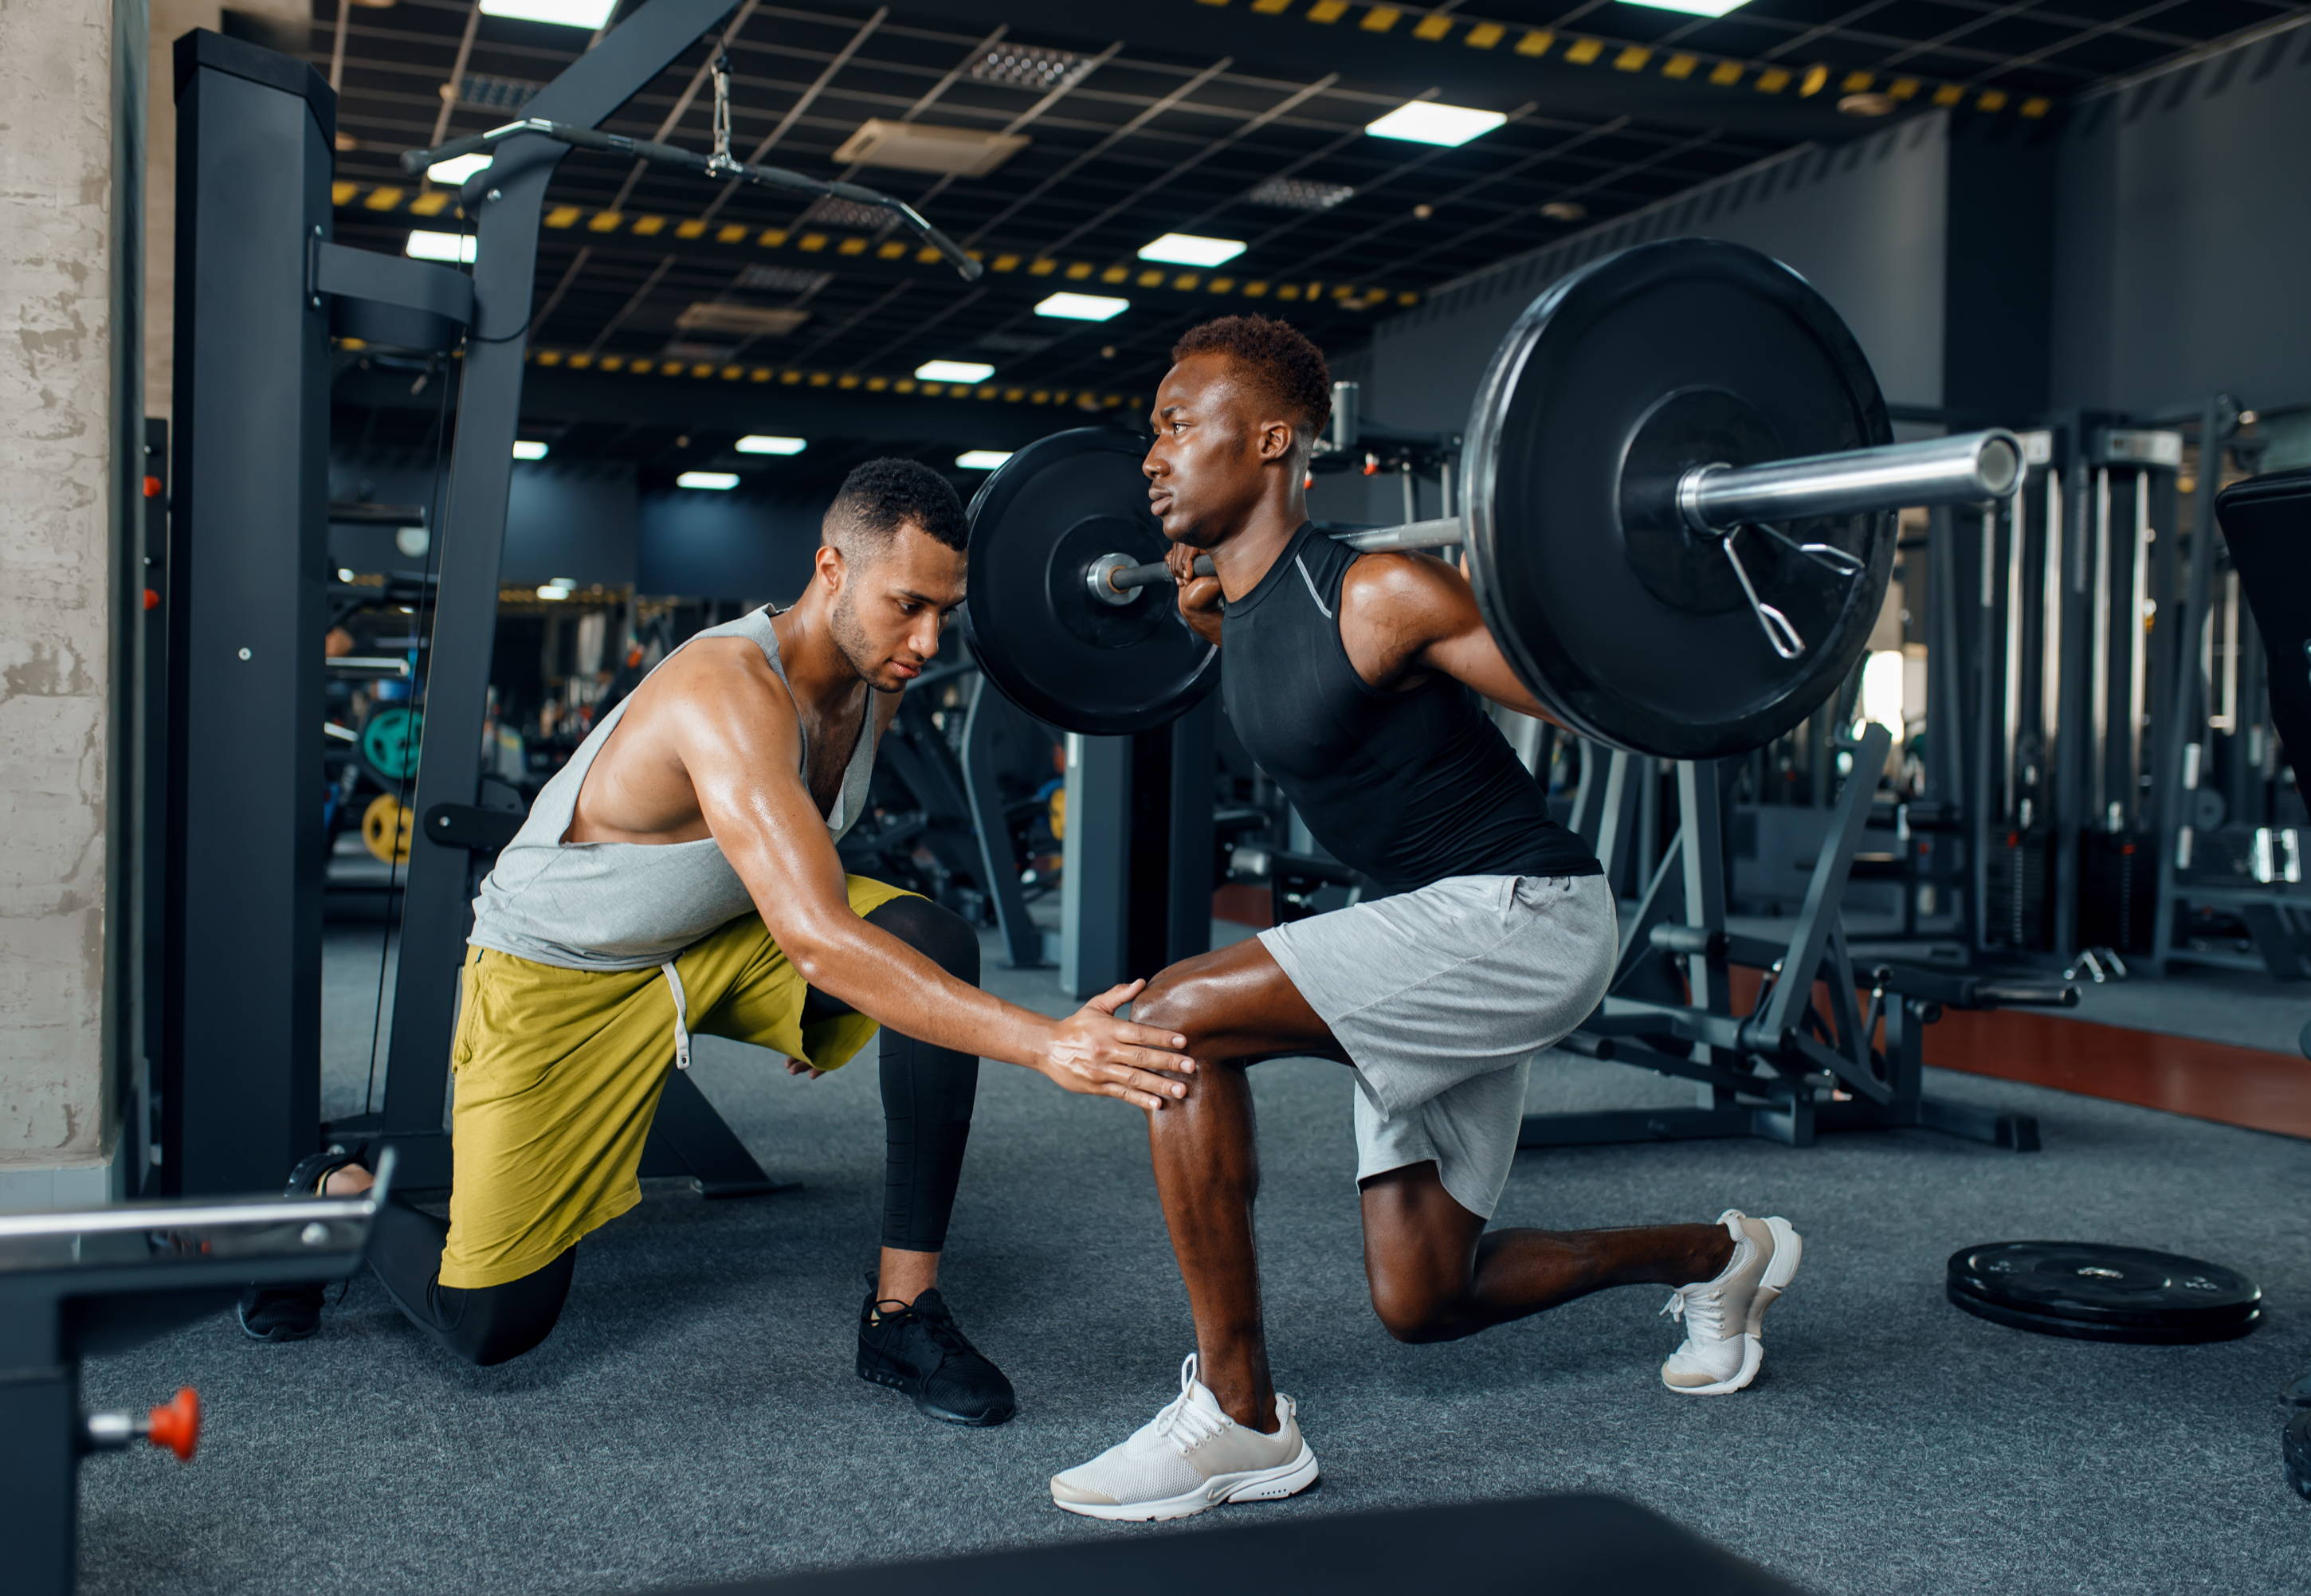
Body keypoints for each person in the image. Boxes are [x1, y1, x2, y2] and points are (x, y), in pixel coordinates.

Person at [247, 459, 1197, 1429]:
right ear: (831, 567)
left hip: (716, 932)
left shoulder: (878, 676)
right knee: (491, 1321)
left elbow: (809, 870)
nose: (928, 639)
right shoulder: (728, 687)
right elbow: (825, 939)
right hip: (560, 973)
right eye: (908, 604)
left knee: (930, 937)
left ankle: (904, 1311)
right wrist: (1044, 1041)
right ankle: (336, 1194)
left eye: (943, 611)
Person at [1047, 319, 1805, 1518]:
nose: (1153, 455)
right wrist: (1207, 611)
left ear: (1277, 440)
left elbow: (1595, 693)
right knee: (1424, 1296)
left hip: (1523, 914)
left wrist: (1670, 574)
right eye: (1154, 430)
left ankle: (1239, 1416)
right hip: (1438, 931)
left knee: (1171, 1019)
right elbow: (1256, 646)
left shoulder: (1384, 590)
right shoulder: (1225, 610)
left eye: (1180, 425)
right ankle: (1719, 1254)